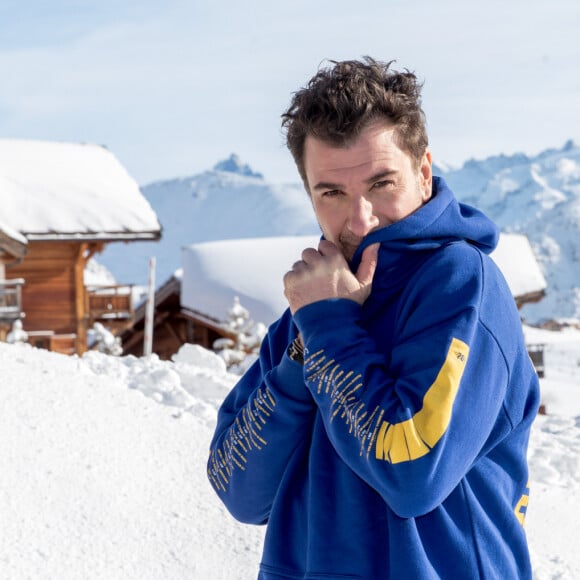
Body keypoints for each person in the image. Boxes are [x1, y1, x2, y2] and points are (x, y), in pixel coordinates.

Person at [207, 57, 540, 579]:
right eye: (332, 193)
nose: (360, 219)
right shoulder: (315, 307)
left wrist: (330, 332)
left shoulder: (458, 282)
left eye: (382, 184)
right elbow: (237, 488)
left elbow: (412, 473)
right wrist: (305, 349)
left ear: (423, 173)